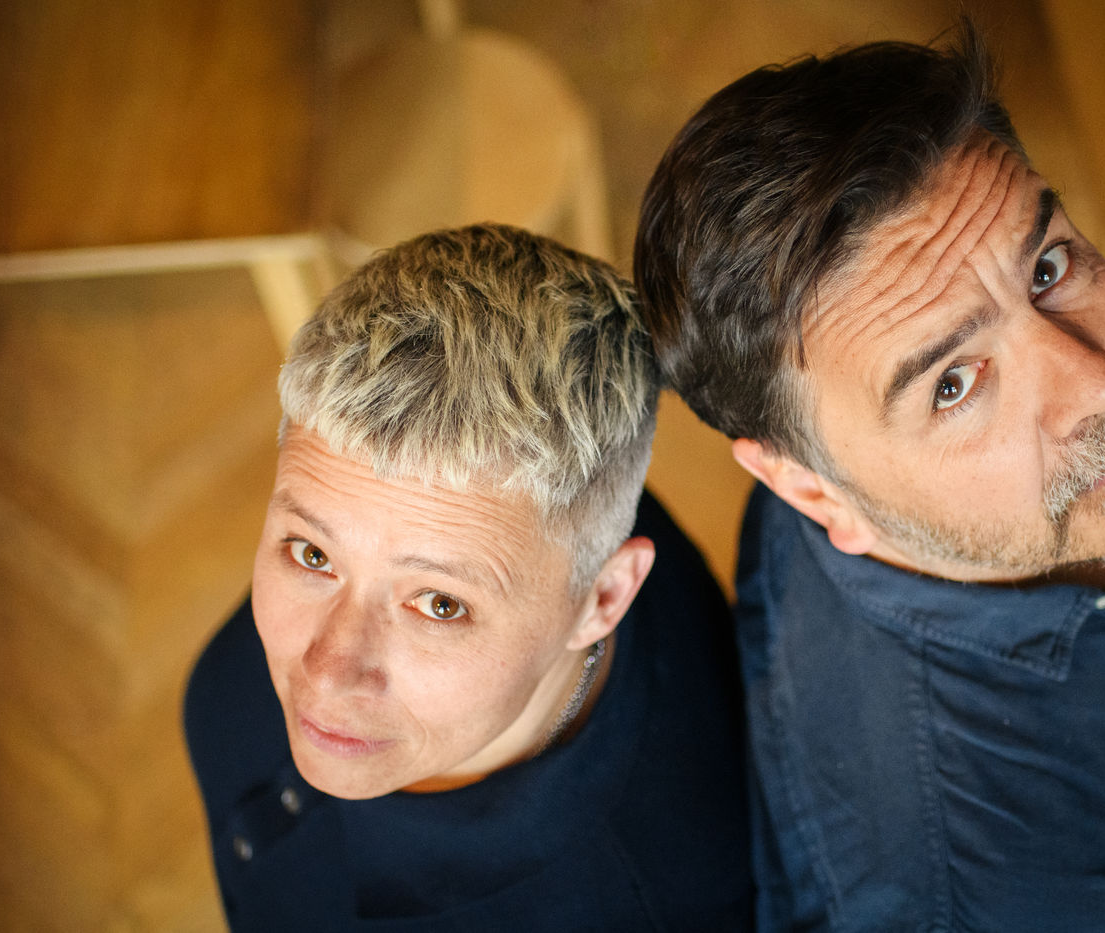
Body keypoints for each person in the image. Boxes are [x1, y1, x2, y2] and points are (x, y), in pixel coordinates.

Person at [634, 22, 1105, 933]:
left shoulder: (879, 464)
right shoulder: (981, 896)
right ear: (809, 489)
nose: (1101, 382)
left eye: (1047, 267)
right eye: (954, 382)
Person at [184, 224, 752, 929]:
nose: (325, 671)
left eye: (439, 604)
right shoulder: (546, 518)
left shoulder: (644, 904)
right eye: (313, 555)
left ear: (603, 597)